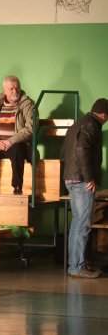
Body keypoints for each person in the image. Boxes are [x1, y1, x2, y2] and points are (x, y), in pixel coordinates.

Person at [62, 98, 108, 278]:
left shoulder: (79, 123)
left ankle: (75, 264)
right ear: (103, 114)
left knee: (77, 223)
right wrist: (89, 178)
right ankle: (77, 266)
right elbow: (82, 149)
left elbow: (65, 150)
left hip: (71, 177)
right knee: (83, 224)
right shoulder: (92, 125)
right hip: (81, 180)